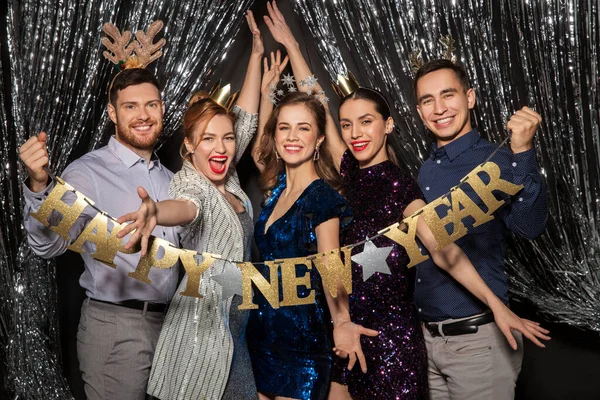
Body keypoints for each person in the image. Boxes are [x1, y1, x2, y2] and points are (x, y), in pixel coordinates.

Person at [258, 2, 549, 398]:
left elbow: (443, 248)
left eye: (447, 96)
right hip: (373, 331)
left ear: (389, 125)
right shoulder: (395, 170)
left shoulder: (407, 184)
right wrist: (292, 45)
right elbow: (320, 106)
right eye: (348, 125)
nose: (356, 132)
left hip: (411, 335)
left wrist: (497, 306)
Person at [116, 11, 264, 400]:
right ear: (190, 146)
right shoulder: (190, 182)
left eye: (227, 139)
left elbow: (246, 119)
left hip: (236, 328)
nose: (221, 147)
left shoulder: (228, 175)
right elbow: (186, 208)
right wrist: (155, 211)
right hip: (200, 333)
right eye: (209, 139)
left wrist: (257, 53)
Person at [20, 66, 179, 400]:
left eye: (151, 105)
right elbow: (47, 244)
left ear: (162, 109)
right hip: (116, 328)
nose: (143, 115)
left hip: (171, 328)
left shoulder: (171, 180)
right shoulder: (88, 172)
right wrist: (39, 186)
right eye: (130, 106)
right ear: (112, 113)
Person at [413, 59, 549, 400]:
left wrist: (523, 150)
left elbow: (529, 227)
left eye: (448, 95)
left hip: (479, 342)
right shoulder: (426, 170)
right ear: (418, 111)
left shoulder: (497, 159)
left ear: (470, 97)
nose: (439, 108)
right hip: (429, 343)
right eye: (428, 100)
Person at [246, 62, 375, 398]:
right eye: (284, 128)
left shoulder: (322, 199)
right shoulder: (275, 192)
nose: (292, 137)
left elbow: (332, 266)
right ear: (275, 137)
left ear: (319, 138)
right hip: (262, 335)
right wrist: (265, 95)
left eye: (303, 129)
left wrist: (342, 320)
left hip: (302, 343)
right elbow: (259, 151)